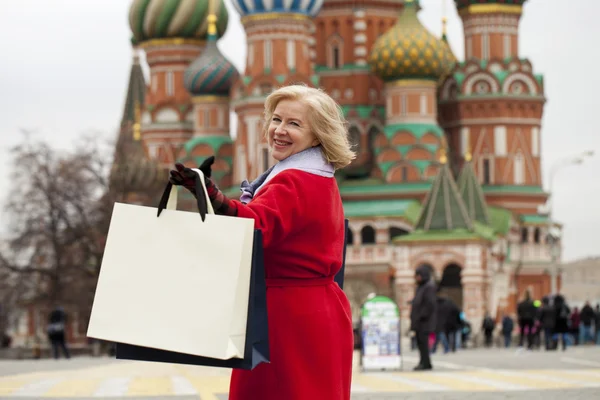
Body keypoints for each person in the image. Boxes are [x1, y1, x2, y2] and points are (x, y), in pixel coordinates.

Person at [170, 85, 355, 400]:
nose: (279, 131)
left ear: (318, 135)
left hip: (287, 316)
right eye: (276, 120)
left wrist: (210, 195)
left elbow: (257, 225)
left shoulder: (294, 179)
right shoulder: (318, 176)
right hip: (317, 309)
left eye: (294, 124)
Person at [409, 266, 437, 371]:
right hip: (419, 321)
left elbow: (430, 304)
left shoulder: (429, 287)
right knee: (420, 343)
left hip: (424, 321)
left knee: (423, 343)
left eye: (418, 276)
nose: (417, 278)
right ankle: (425, 362)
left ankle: (425, 363)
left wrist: (421, 315)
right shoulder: (421, 287)